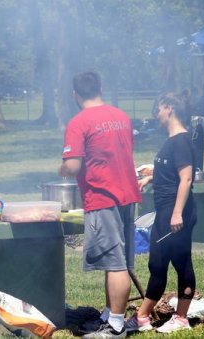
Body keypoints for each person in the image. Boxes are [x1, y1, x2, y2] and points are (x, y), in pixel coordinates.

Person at [59, 71, 141, 338]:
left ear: (75, 94)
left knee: (115, 262)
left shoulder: (79, 122)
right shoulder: (121, 117)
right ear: (100, 89)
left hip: (103, 197)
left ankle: (116, 325)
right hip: (127, 194)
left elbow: (73, 166)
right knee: (115, 260)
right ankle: (108, 314)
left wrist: (62, 168)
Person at [126, 93, 197, 334]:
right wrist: (149, 177)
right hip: (165, 210)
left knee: (180, 262)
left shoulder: (181, 140)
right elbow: (170, 171)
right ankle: (143, 317)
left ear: (169, 108)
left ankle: (180, 318)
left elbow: (186, 179)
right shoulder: (172, 140)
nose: (156, 115)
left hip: (176, 213)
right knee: (157, 263)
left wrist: (177, 214)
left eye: (157, 110)